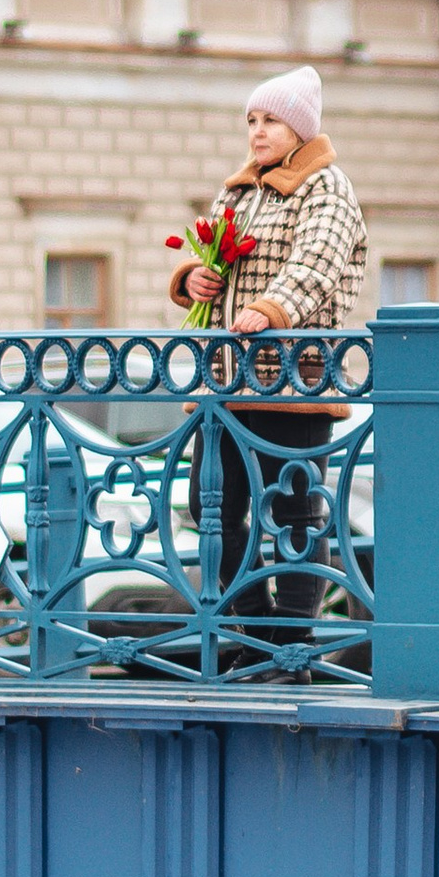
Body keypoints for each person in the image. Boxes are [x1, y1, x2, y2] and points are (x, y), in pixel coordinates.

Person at [164, 68, 367, 667]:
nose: (256, 132)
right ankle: (252, 631)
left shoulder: (327, 188)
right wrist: (192, 279)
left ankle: (295, 643)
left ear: (300, 128)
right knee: (214, 508)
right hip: (227, 383)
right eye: (251, 121)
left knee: (295, 510)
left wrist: (270, 308)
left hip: (294, 379)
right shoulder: (239, 193)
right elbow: (213, 262)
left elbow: (318, 263)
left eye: (270, 121)